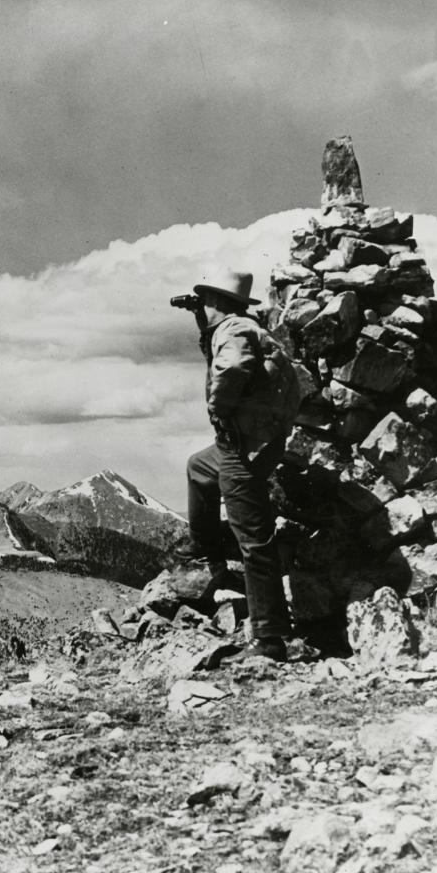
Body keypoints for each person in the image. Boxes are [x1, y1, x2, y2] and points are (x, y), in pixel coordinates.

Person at [174, 270, 298, 662]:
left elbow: (230, 369)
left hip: (242, 448)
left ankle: (269, 639)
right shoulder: (239, 326)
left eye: (205, 300)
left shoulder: (234, 329)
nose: (202, 307)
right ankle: (205, 549)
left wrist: (219, 411)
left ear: (219, 301)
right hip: (247, 443)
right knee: (199, 468)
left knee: (255, 541)